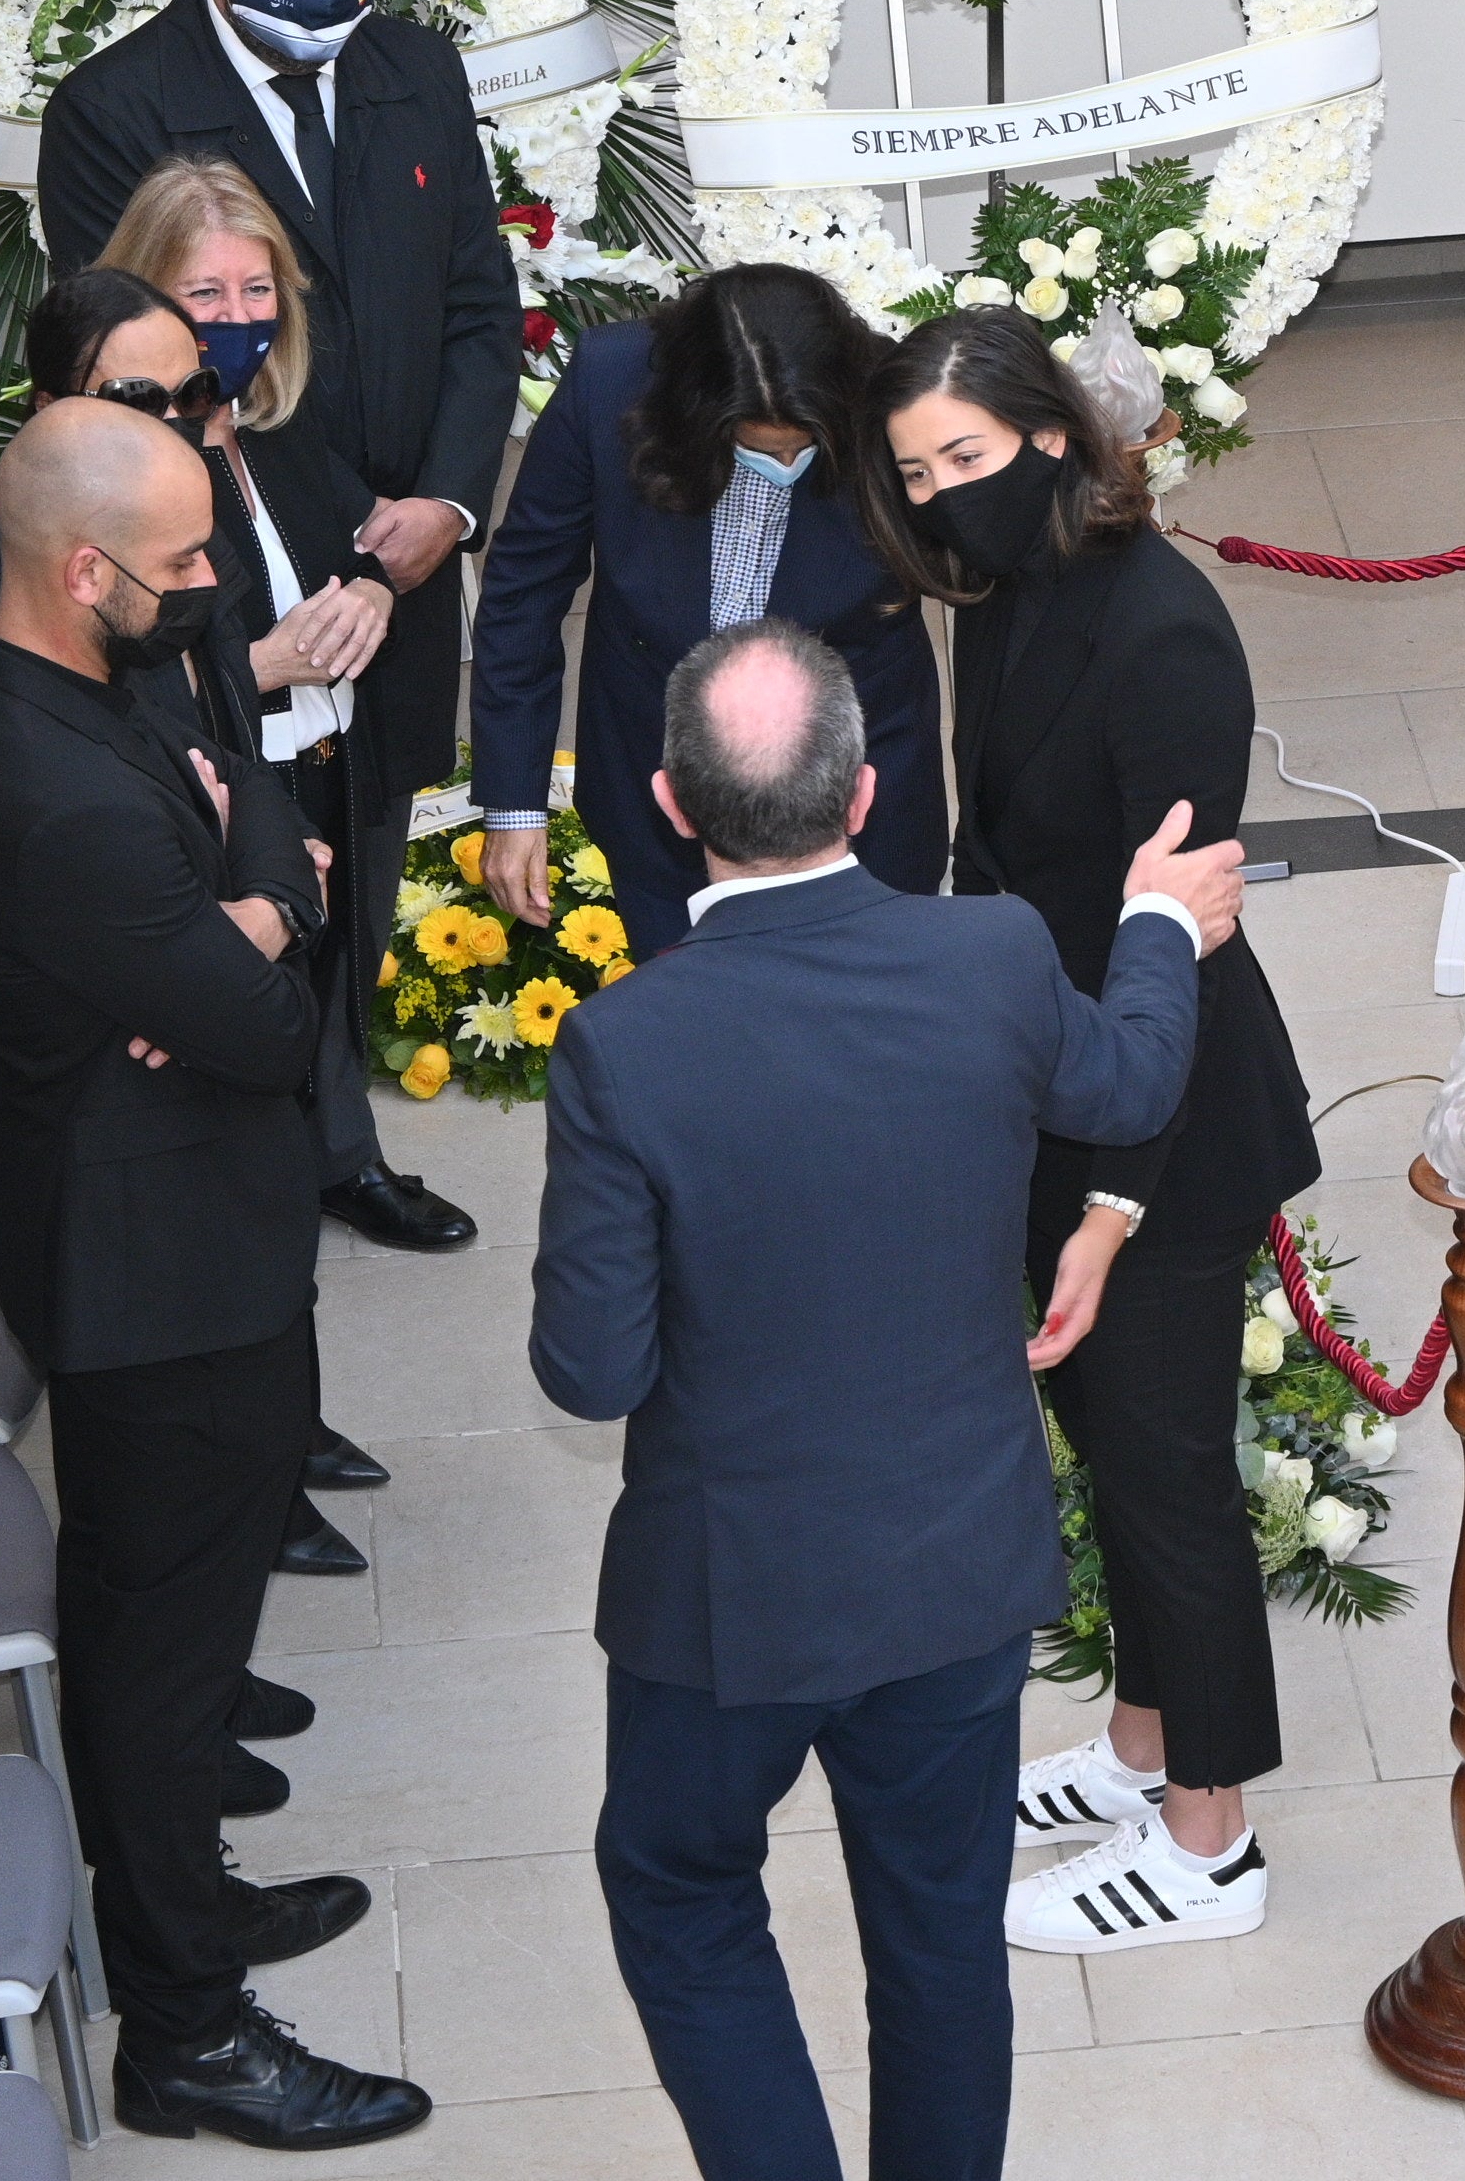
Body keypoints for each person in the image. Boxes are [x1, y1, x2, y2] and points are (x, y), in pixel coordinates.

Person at [533, 619, 1243, 2181]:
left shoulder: (622, 1048)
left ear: (665, 802)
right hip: (952, 1569)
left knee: (679, 1891)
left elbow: (591, 1369)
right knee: (937, 1946)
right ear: (863, 795)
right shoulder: (986, 954)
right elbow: (1125, 1085)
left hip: (727, 1604)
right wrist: (1154, 927)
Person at [0, 400, 431, 2152]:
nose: (216, 589)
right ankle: (187, 2026)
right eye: (185, 560)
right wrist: (264, 923)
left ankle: (179, 1896)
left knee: (176, 1635)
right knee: (157, 1647)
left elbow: (264, 799)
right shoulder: (49, 781)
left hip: (191, 1218)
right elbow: (281, 1017)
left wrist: (240, 896)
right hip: (151, 1271)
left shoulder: (91, 653)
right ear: (80, 569)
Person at [861, 312, 1319, 1951]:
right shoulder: (1005, 595)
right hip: (1052, 1073)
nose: (938, 499)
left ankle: (1211, 1835)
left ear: (1054, 439)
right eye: (916, 473)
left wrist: (1111, 1194)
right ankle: (1143, 1744)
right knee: (1112, 1451)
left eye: (965, 460)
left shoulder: (1162, 634)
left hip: (1165, 1114)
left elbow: (1175, 933)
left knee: (1167, 1465)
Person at [40, 0, 521, 1259]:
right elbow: (140, 367)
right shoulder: (117, 107)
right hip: (242, 564)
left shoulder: (412, 69)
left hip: (409, 554)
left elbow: (477, 311)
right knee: (256, 854)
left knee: (366, 840)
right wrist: (329, 556)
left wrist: (436, 510)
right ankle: (255, 1162)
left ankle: (338, 1140)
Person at [0, 262, 412, 1604]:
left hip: (182, 1006)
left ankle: (259, 1502)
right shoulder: (15, 606)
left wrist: (242, 909)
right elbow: (85, 849)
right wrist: (243, 923)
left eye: (202, 387)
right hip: (109, 1077)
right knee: (149, 1516)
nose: (196, 413)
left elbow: (233, 763)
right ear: (65, 408)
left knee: (232, 1398)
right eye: (151, 395)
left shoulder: (165, 545)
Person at [472, 263, 948, 932]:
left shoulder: (894, 393)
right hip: (656, 784)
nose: (783, 468)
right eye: (759, 449)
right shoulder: (612, 380)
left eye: (802, 449)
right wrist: (515, 804)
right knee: (688, 1015)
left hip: (862, 790)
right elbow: (525, 586)